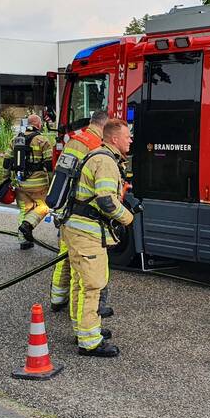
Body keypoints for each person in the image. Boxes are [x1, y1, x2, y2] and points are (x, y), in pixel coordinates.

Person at [62, 118, 136, 357]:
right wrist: (128, 219)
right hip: (87, 233)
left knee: (80, 283)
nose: (131, 140)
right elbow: (106, 201)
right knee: (92, 286)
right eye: (127, 136)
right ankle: (90, 341)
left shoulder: (97, 155)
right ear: (115, 139)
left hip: (77, 229)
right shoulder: (105, 161)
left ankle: (83, 329)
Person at [50, 109, 109, 314]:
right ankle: (87, 314)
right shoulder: (95, 146)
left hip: (66, 208)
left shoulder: (76, 139)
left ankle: (57, 298)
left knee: (64, 256)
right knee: (82, 268)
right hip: (83, 212)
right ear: (104, 125)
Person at [6, 114, 53, 250]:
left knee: (24, 209)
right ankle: (27, 225)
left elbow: (7, 163)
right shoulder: (43, 140)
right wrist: (51, 185)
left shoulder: (15, 140)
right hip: (39, 184)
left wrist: (6, 180)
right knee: (43, 207)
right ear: (39, 125)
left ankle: (24, 241)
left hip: (21, 183)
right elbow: (49, 165)